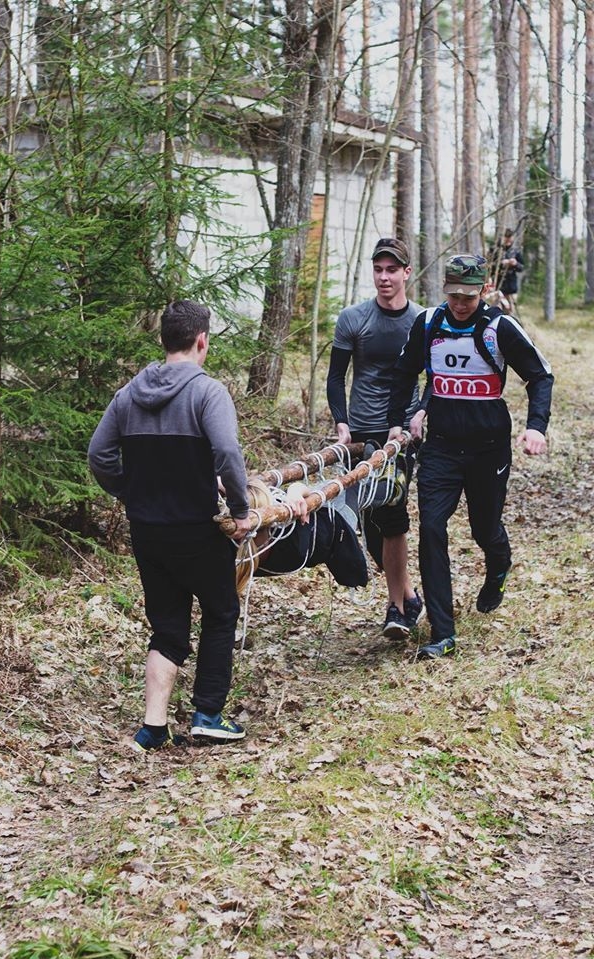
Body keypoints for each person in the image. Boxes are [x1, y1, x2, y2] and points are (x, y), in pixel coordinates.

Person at [88, 299, 252, 749]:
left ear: (164, 340)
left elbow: (98, 456)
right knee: (221, 612)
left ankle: (153, 727)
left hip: (147, 530)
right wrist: (240, 511)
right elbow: (228, 454)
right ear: (202, 341)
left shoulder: (128, 395)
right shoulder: (207, 392)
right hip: (197, 529)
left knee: (168, 626)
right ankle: (208, 714)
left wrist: (130, 490)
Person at [387, 254, 553, 659]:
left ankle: (498, 565)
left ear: (483, 290)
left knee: (484, 528)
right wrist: (398, 420)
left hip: (488, 447)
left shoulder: (499, 327)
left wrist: (536, 426)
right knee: (431, 528)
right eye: (454, 295)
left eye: (469, 296)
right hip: (441, 445)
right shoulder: (428, 324)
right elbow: (405, 372)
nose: (460, 303)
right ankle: (442, 632)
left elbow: (540, 375)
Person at [326, 236, 424, 641]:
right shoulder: (353, 318)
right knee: (370, 531)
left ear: (406, 273)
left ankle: (397, 611)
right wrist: (342, 422)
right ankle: (410, 595)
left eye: (391, 270)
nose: (384, 278)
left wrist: (419, 413)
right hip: (360, 435)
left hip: (400, 435)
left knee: (392, 516)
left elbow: (432, 377)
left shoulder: (423, 320)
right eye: (378, 270)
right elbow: (336, 377)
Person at [235, 479, 368, 596]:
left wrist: (294, 492)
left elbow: (303, 491)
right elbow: (305, 491)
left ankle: (374, 470)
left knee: (355, 485)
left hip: (323, 508)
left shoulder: (233, 550)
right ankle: (382, 477)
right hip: (337, 523)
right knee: (356, 489)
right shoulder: (290, 542)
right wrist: (295, 491)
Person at [489, 228, 524, 314]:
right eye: (506, 237)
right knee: (497, 310)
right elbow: (489, 266)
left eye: (510, 237)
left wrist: (515, 264)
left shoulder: (516, 252)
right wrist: (501, 264)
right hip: (497, 286)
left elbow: (521, 268)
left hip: (511, 287)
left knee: (510, 310)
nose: (508, 240)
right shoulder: (495, 251)